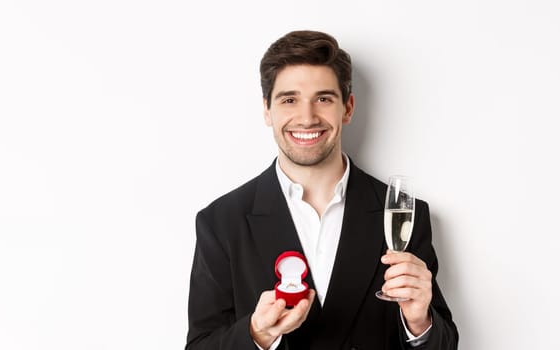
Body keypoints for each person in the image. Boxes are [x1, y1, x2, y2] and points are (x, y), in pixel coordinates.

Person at [185, 30, 459, 350]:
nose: (307, 118)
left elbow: (445, 344)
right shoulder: (221, 222)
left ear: (347, 108)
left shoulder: (403, 213)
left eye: (323, 99)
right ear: (266, 110)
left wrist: (419, 323)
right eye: (289, 100)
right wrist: (257, 335)